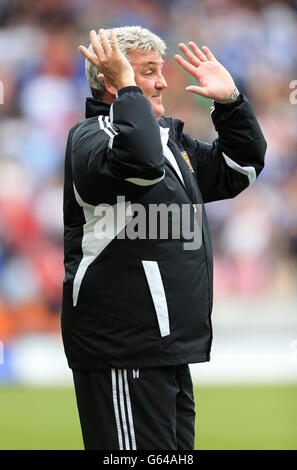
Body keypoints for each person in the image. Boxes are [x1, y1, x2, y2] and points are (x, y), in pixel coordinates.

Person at [61, 26, 266, 450]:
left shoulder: (171, 142)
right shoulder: (92, 137)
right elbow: (139, 166)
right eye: (148, 72)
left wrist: (230, 103)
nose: (163, 82)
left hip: (166, 351)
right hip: (123, 349)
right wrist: (128, 90)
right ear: (113, 79)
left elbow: (241, 167)